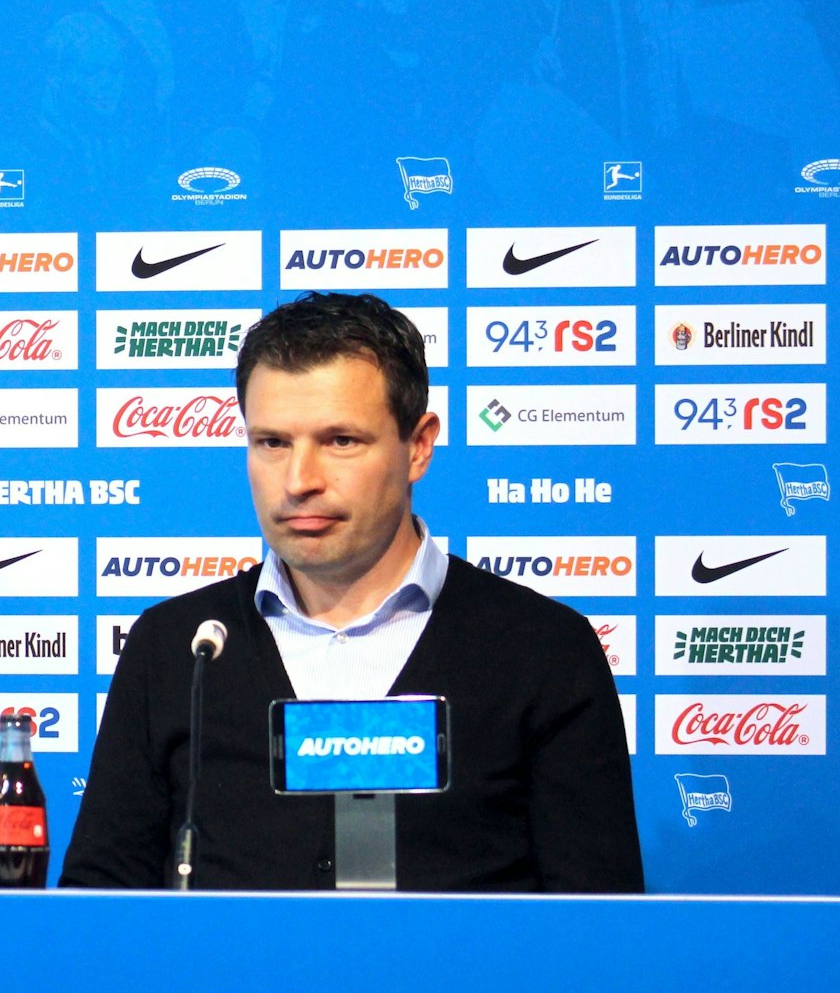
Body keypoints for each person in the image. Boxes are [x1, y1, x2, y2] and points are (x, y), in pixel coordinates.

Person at [62, 292, 642, 892]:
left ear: (417, 446)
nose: (299, 481)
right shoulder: (177, 647)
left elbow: (599, 927)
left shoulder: (545, 649)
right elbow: (99, 909)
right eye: (272, 442)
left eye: (340, 441)